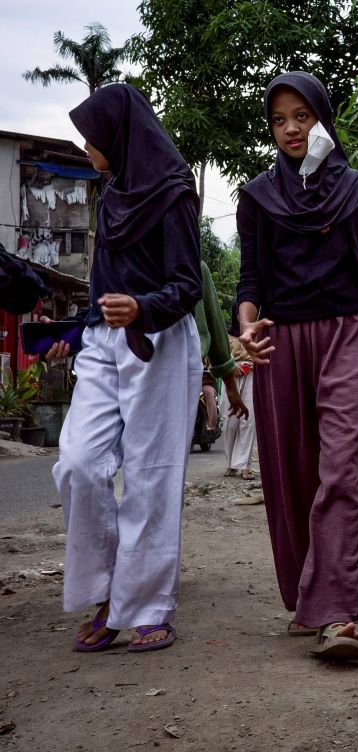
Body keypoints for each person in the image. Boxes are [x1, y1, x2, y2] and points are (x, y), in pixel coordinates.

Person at [236, 71, 358, 661]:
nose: (291, 128)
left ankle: (338, 614)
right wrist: (246, 326)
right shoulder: (256, 196)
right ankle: (308, 596)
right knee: (293, 474)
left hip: (346, 335)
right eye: (278, 119)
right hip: (281, 343)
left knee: (340, 467)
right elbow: (251, 281)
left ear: (322, 117)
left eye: (302, 115)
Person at [49, 83, 202, 654]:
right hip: (103, 341)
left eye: (92, 137)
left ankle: (147, 606)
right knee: (79, 464)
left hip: (159, 342)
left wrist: (143, 306)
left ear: (119, 133)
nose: (87, 147)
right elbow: (100, 290)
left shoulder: (173, 194)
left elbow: (187, 285)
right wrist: (73, 333)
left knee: (151, 476)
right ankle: (107, 589)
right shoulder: (111, 197)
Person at [193, 260, 249, 439]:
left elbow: (214, 328)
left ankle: (210, 424)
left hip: (196, 373)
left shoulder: (194, 266)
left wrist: (230, 383)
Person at [221, 334, 257, 480]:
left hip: (252, 374)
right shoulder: (224, 334)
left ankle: (244, 466)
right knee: (229, 421)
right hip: (230, 376)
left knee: (249, 421)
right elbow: (215, 356)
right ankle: (231, 463)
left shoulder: (257, 333)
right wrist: (230, 366)